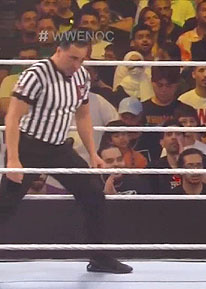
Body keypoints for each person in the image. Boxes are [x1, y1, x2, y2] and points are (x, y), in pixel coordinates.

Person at [0, 32, 132, 274]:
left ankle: (99, 258)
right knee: (5, 204)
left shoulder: (81, 76)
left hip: (59, 147)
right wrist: (13, 159)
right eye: (73, 58)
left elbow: (83, 115)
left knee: (94, 193)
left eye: (82, 59)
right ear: (59, 50)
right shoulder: (35, 74)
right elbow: (13, 117)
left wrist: (93, 154)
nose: (77, 64)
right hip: (29, 146)